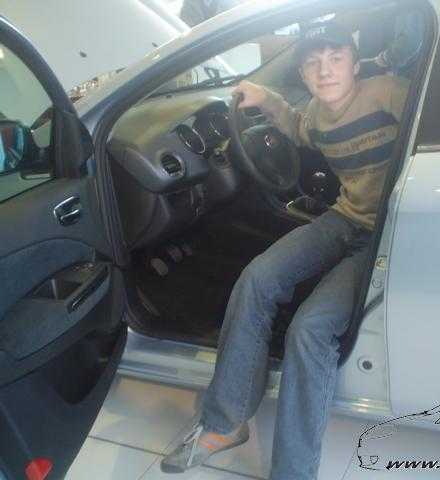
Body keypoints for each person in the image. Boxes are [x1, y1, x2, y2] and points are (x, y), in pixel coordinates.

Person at [161, 22, 410, 479]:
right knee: (256, 279)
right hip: (345, 219)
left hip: (386, 233)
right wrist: (264, 98)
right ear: (303, 73)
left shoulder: (389, 92)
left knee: (309, 329)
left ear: (355, 64)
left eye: (335, 59)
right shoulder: (316, 113)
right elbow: (297, 128)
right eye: (313, 63)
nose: (325, 71)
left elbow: (429, 128)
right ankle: (225, 422)